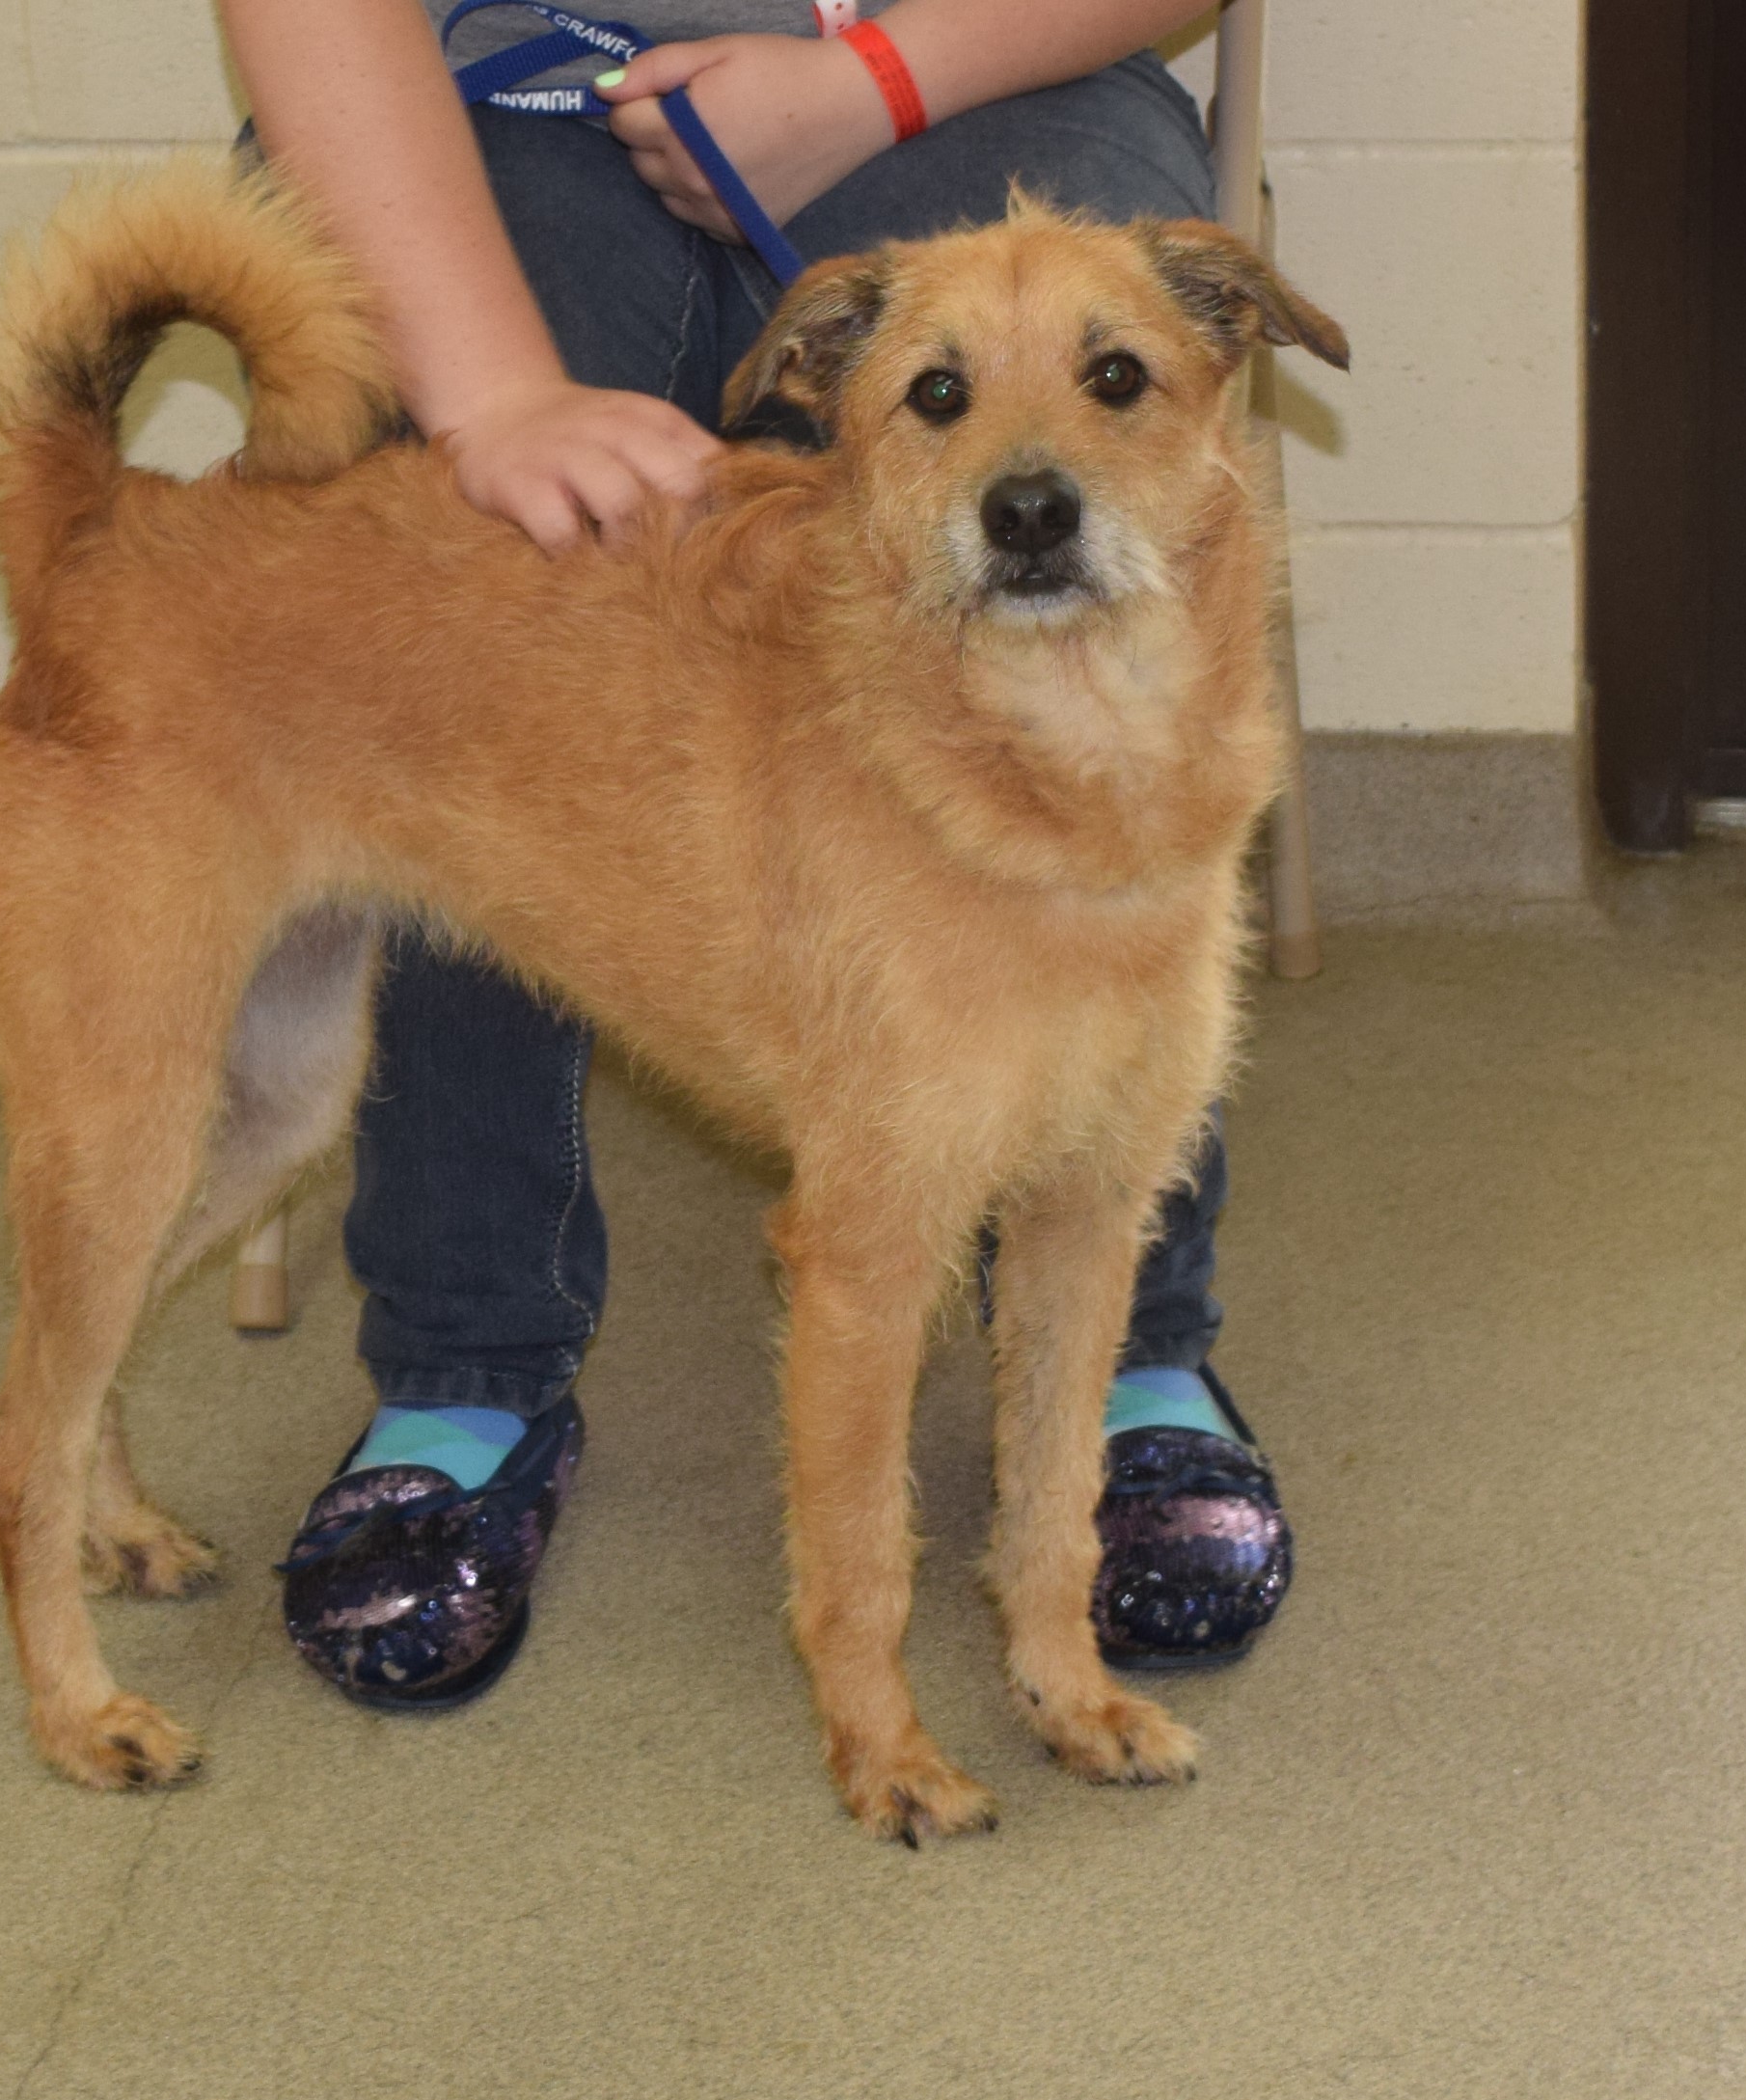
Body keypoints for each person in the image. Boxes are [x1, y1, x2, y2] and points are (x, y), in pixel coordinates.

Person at [221, 0, 1293, 1707]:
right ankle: (466, 1353)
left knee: (1072, 425)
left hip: (988, 52)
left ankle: (1134, 1359)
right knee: (472, 529)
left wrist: (872, 79)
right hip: (485, 81)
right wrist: (491, 393)